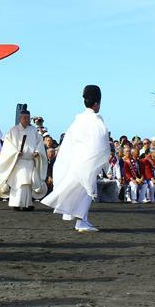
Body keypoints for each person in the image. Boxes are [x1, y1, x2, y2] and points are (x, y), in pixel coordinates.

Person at [42, 85, 110, 232]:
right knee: (85, 192)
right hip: (88, 161)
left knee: (80, 191)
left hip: (76, 161)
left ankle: (83, 220)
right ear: (97, 103)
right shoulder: (96, 121)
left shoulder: (78, 121)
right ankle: (81, 222)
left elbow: (68, 143)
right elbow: (102, 141)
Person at [0, 108, 48, 210]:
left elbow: (39, 142)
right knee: (19, 183)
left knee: (28, 183)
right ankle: (17, 204)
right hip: (18, 161)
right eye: (24, 117)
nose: (26, 119)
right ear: (20, 118)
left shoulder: (33, 130)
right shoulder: (13, 130)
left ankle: (27, 204)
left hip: (30, 160)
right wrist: (15, 153)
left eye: (28, 118)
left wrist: (37, 152)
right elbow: (8, 145)